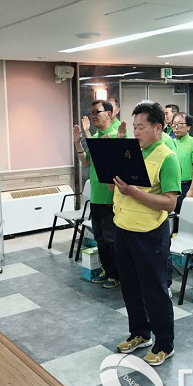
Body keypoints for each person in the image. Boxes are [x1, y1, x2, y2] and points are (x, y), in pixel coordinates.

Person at [113, 101, 180, 366]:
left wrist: (133, 192)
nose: (136, 131)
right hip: (123, 227)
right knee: (130, 286)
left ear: (157, 128)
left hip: (149, 233)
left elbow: (170, 203)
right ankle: (140, 333)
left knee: (154, 290)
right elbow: (113, 189)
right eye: (134, 127)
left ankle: (164, 344)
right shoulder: (131, 153)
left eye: (141, 127)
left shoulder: (167, 157)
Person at [73, 100, 121, 289]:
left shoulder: (116, 136)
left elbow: (118, 165)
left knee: (111, 240)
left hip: (111, 197)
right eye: (91, 112)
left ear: (109, 113)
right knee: (100, 238)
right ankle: (106, 270)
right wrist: (78, 143)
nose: (93, 115)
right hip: (96, 196)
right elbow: (86, 162)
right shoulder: (97, 136)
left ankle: (116, 274)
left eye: (97, 112)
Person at [171, 112, 193, 212]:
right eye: (174, 124)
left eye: (180, 124)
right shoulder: (170, 143)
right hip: (172, 186)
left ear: (188, 127)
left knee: (184, 217)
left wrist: (192, 190)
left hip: (186, 187)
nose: (176, 127)